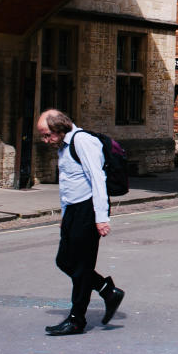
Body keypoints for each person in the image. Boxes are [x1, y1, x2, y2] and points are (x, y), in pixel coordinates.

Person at [37, 109, 126, 336]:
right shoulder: (64, 147)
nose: (45, 140)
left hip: (88, 209)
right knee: (64, 261)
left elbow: (98, 179)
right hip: (73, 211)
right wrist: (64, 215)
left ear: (60, 128)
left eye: (47, 135)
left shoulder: (83, 141)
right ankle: (108, 290)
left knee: (80, 268)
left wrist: (101, 218)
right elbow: (68, 184)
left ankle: (77, 320)